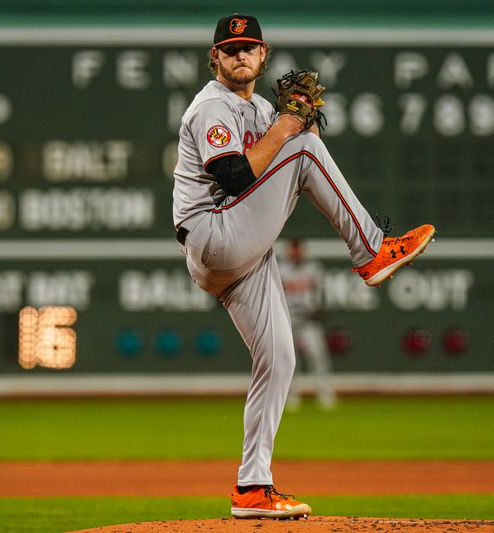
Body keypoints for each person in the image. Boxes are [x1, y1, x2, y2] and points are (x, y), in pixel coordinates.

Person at [172, 13, 435, 520]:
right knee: (306, 149)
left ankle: (252, 488)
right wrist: (294, 127)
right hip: (215, 233)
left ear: (264, 54)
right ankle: (371, 250)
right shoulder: (211, 107)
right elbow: (230, 177)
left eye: (249, 47)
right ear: (214, 58)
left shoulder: (266, 109)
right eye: (230, 49)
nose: (240, 55)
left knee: (280, 360)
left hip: (241, 251)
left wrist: (297, 121)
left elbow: (275, 165)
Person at [279, 238, 336, 411]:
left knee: (318, 355)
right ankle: (291, 396)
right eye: (292, 249)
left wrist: (318, 311)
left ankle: (325, 393)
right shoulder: (280, 269)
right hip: (287, 318)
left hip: (308, 318)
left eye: (297, 249)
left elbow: (321, 293)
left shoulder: (314, 268)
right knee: (288, 360)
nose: (295, 252)